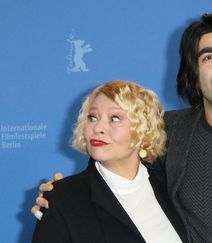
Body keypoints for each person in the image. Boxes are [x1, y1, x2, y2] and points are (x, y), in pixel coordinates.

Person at [32, 12, 212, 242]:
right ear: (193, 77)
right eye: (209, 57)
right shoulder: (168, 131)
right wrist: (63, 198)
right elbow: (115, 165)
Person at [32, 81, 186, 242]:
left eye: (114, 118)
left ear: (144, 131)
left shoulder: (171, 185)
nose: (98, 127)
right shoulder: (62, 198)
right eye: (92, 117)